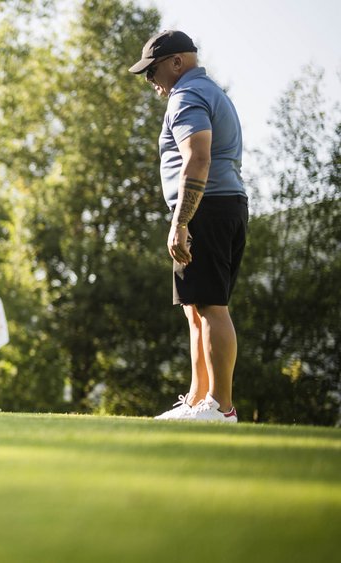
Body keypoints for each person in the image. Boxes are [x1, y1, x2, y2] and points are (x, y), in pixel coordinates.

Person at [129, 31, 247, 422]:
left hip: (207, 209)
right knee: (196, 309)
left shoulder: (186, 96)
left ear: (177, 62)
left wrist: (181, 220)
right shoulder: (208, 90)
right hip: (220, 205)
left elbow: (198, 156)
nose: (151, 81)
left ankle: (221, 407)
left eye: (154, 70)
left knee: (212, 306)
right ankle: (199, 401)